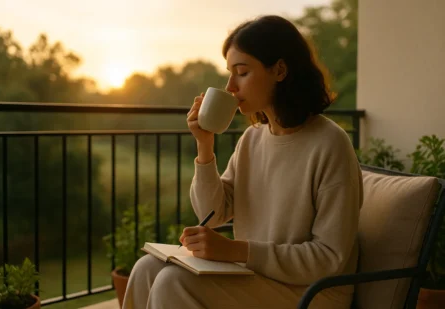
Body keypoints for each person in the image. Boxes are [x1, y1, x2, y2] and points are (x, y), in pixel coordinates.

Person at [122, 15, 363, 309]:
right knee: (146, 269)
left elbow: (328, 258)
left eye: (242, 72)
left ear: (280, 70)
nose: (230, 87)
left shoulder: (330, 143)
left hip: (313, 292)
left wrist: (235, 250)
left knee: (174, 281)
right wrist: (204, 145)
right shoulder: (253, 138)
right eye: (229, 73)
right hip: (257, 276)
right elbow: (213, 213)